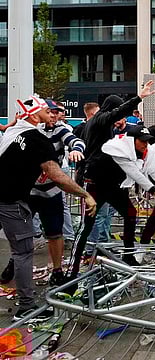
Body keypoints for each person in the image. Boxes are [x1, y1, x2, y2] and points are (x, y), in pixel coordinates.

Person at [0, 95, 95, 322]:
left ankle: (51, 273)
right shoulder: (36, 139)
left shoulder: (13, 132)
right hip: (12, 201)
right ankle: (26, 309)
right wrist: (85, 194)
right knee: (23, 252)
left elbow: (72, 139)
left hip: (9, 197)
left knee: (42, 237)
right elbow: (58, 176)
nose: (52, 114)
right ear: (34, 116)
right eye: (46, 111)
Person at [65, 80, 155, 283]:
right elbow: (115, 115)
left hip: (111, 182)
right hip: (95, 181)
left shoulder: (107, 127)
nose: (120, 119)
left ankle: (128, 254)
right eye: (119, 114)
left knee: (130, 213)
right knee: (87, 225)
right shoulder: (98, 121)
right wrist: (138, 98)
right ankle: (72, 270)